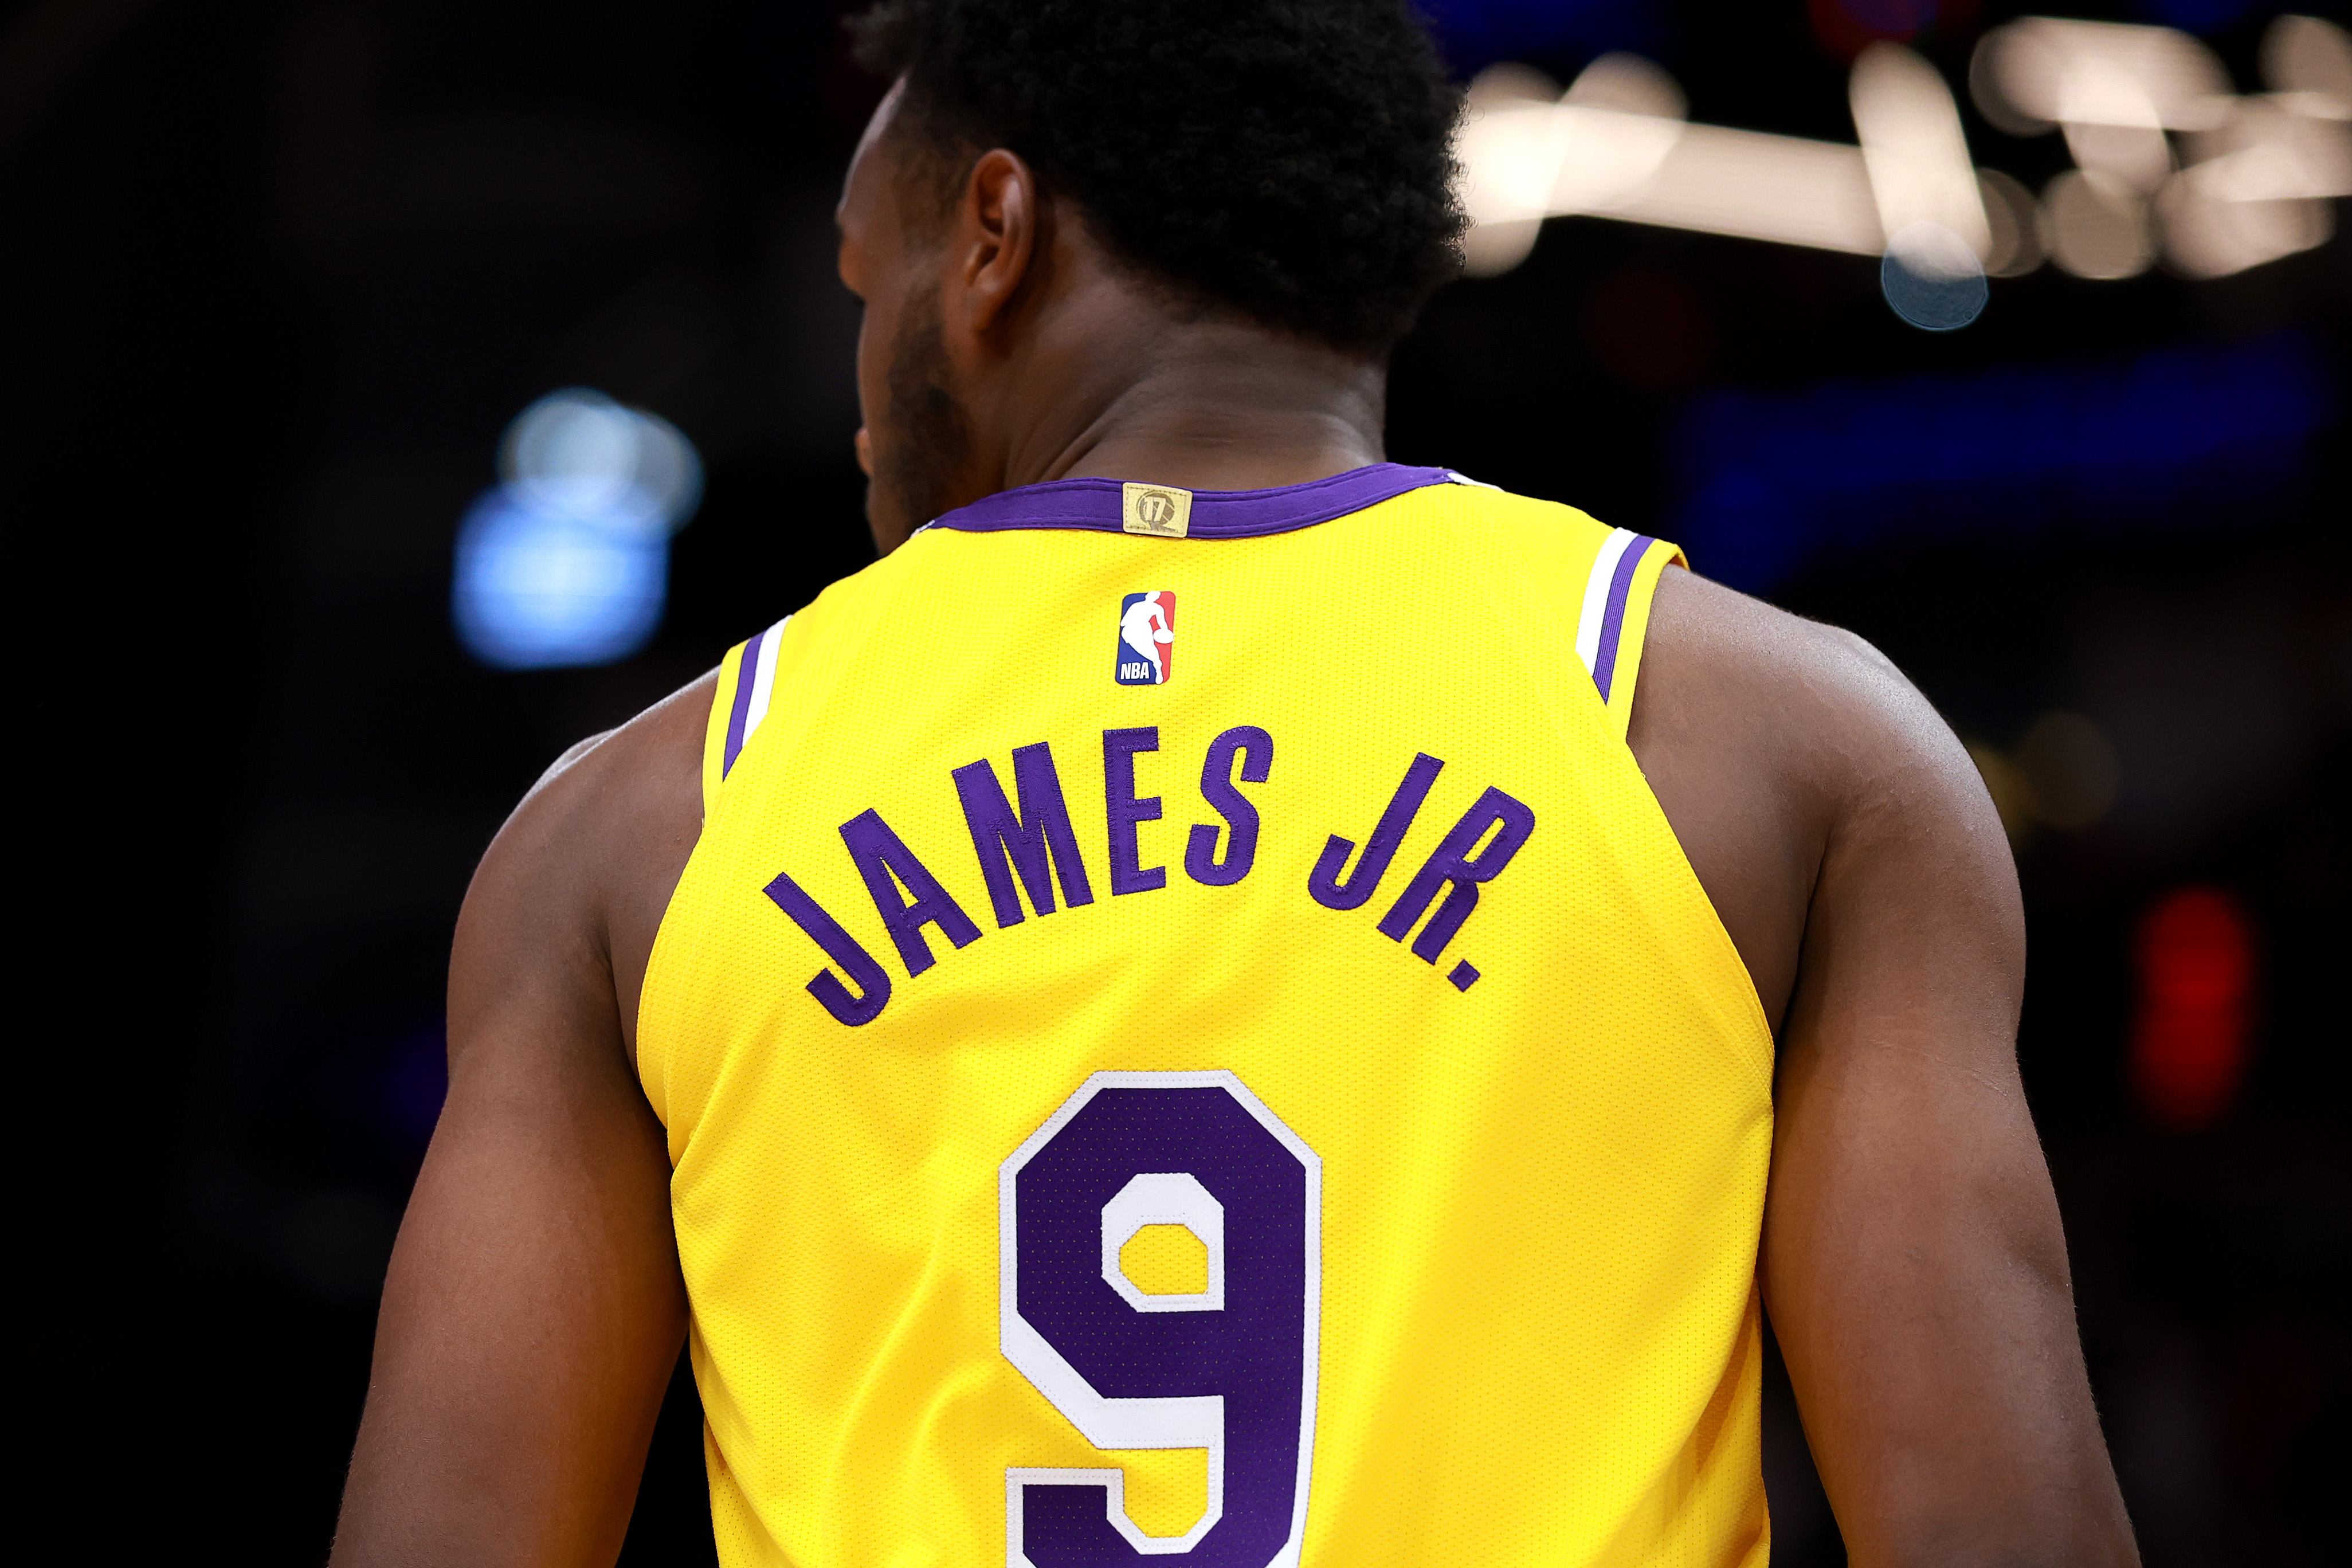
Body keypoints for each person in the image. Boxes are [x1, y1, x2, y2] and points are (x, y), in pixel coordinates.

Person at [330, 2, 2138, 1565]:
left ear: (993, 234)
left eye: (868, 280)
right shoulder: (1783, 744)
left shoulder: (638, 827)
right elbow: (1993, 1533)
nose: (865, 389)